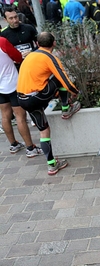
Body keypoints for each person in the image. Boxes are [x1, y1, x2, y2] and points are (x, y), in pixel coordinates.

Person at [16, 32, 81, 175]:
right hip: (36, 97)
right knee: (58, 79)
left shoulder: (31, 55)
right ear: (54, 43)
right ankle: (66, 109)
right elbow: (64, 79)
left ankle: (52, 165)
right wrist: (75, 92)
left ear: (37, 44)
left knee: (43, 130)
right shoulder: (50, 57)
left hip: (22, 99)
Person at [0, 36, 43, 157]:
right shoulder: (2, 41)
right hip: (13, 84)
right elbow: (18, 58)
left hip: (0, 88)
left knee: (5, 115)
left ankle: (13, 144)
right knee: (20, 116)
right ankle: (30, 148)